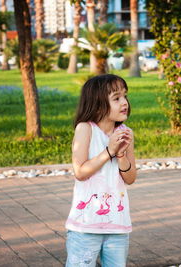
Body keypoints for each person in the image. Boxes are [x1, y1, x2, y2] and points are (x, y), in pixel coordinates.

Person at [65, 74, 137, 267]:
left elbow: (130, 178)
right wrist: (109, 151)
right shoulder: (85, 129)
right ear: (97, 105)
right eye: (116, 98)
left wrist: (121, 155)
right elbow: (80, 172)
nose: (124, 103)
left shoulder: (125, 133)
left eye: (125, 96)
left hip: (118, 225)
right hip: (86, 226)